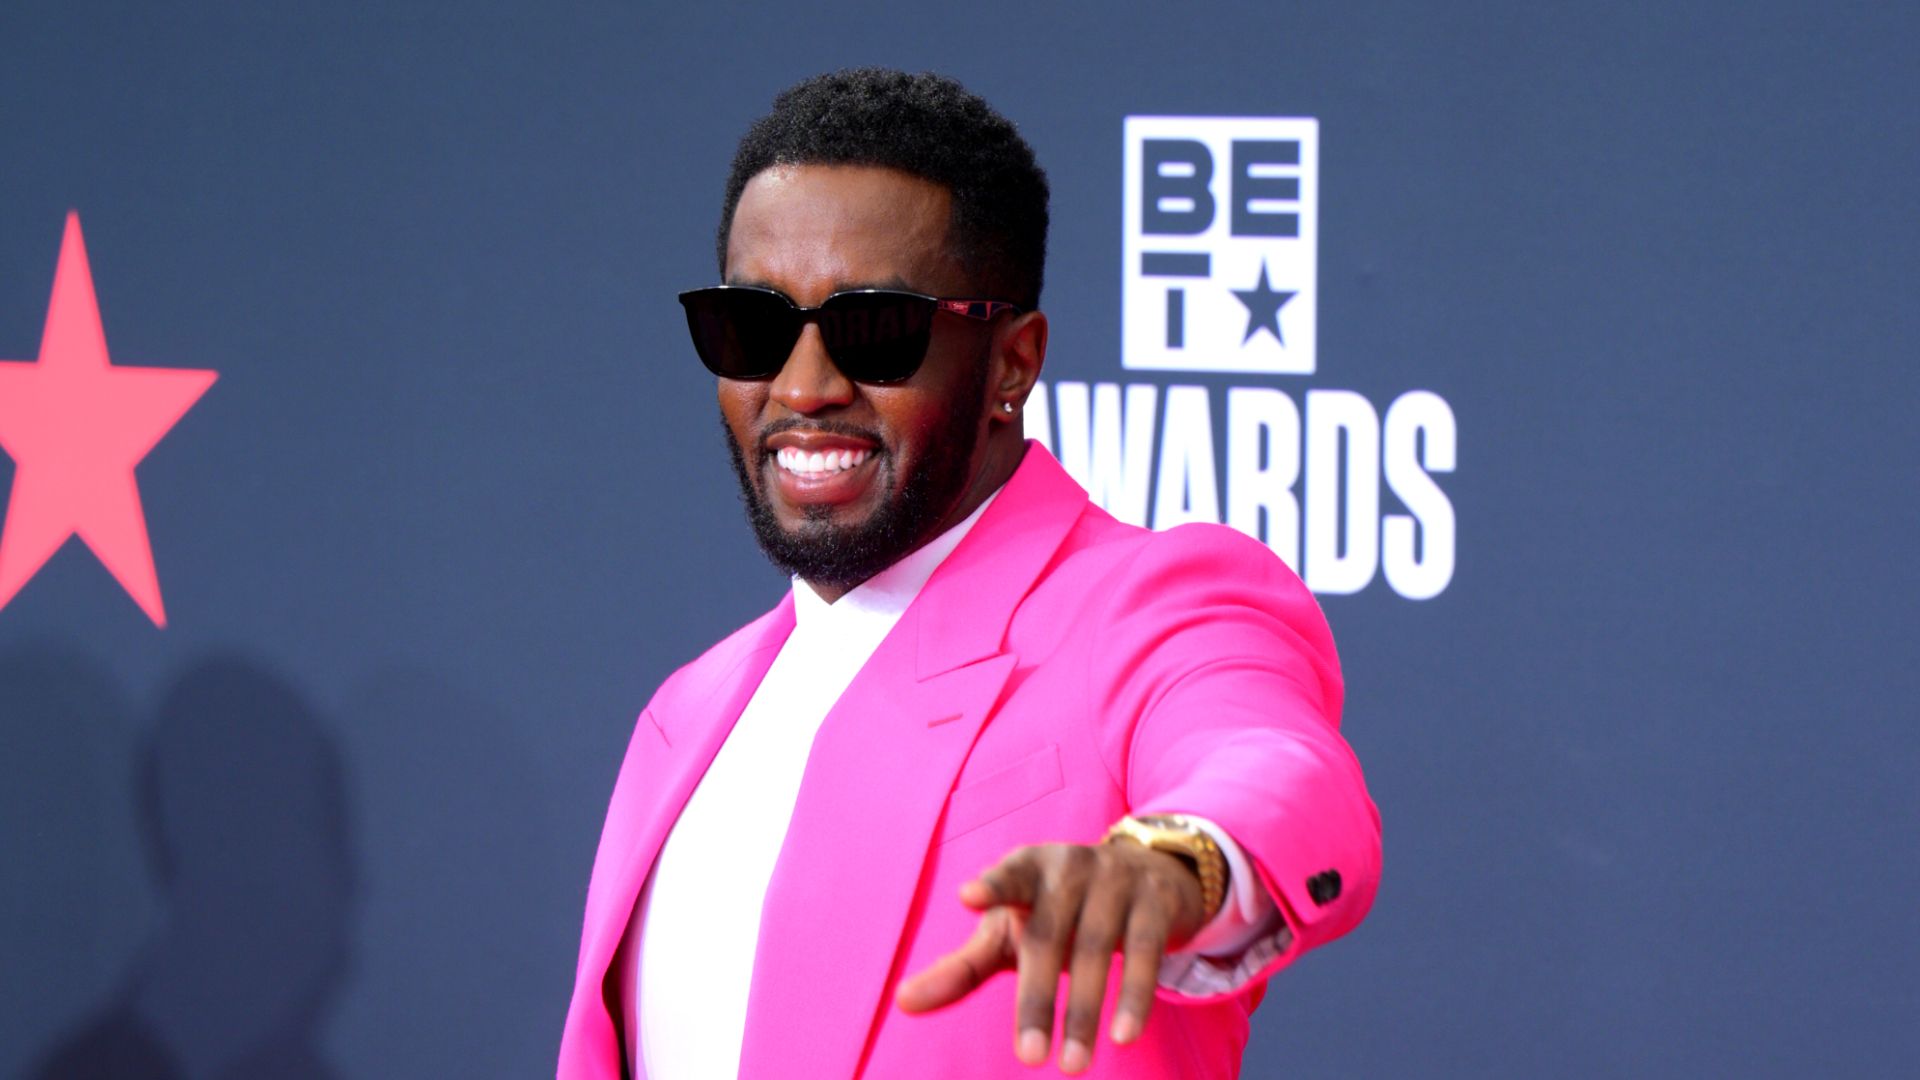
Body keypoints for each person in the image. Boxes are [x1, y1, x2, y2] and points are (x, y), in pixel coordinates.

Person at [558, 69, 1380, 1080]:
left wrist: (1172, 862)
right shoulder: (689, 711)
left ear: (1011, 364)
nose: (805, 387)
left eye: (875, 331)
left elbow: (1275, 766)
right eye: (752, 327)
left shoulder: (1147, 606)